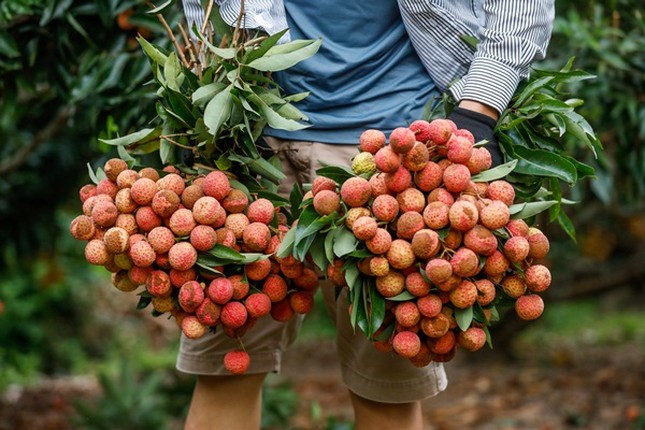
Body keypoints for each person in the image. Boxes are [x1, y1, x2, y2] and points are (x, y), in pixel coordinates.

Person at [178, 1, 555, 429]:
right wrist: (211, 102)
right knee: (225, 371)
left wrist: (478, 111)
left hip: (394, 159)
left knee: (386, 392)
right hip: (255, 151)